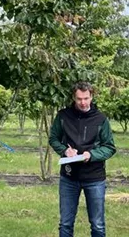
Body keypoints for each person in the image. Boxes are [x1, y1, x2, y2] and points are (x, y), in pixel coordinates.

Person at [49, 81, 116, 237]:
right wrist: (65, 150)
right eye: (79, 99)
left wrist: (91, 155)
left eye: (86, 98)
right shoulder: (63, 116)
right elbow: (53, 139)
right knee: (65, 224)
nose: (83, 102)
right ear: (74, 97)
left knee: (98, 225)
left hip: (94, 178)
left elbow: (110, 147)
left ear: (91, 96)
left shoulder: (101, 119)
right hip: (69, 177)